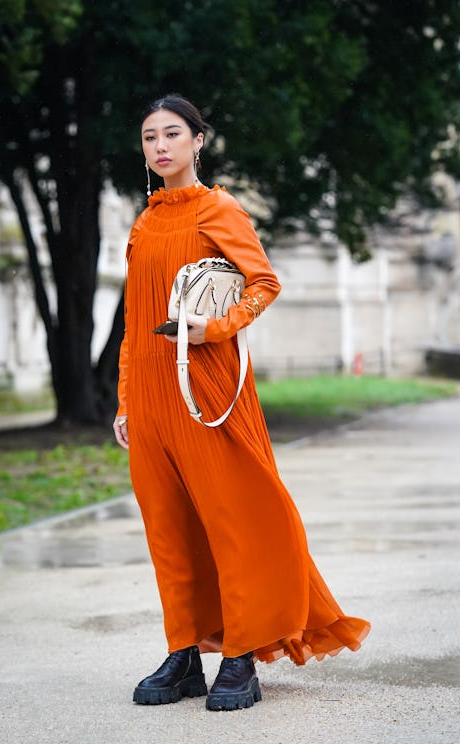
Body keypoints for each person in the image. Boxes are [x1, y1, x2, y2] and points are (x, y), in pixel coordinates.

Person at [113, 94, 370, 712]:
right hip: (150, 393)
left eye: (172, 134)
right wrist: (125, 401)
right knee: (169, 528)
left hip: (207, 386)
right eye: (150, 138)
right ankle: (183, 656)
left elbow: (264, 282)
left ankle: (242, 655)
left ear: (198, 141)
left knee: (236, 519)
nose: (161, 147)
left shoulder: (217, 207)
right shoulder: (143, 222)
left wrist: (217, 328)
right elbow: (134, 320)